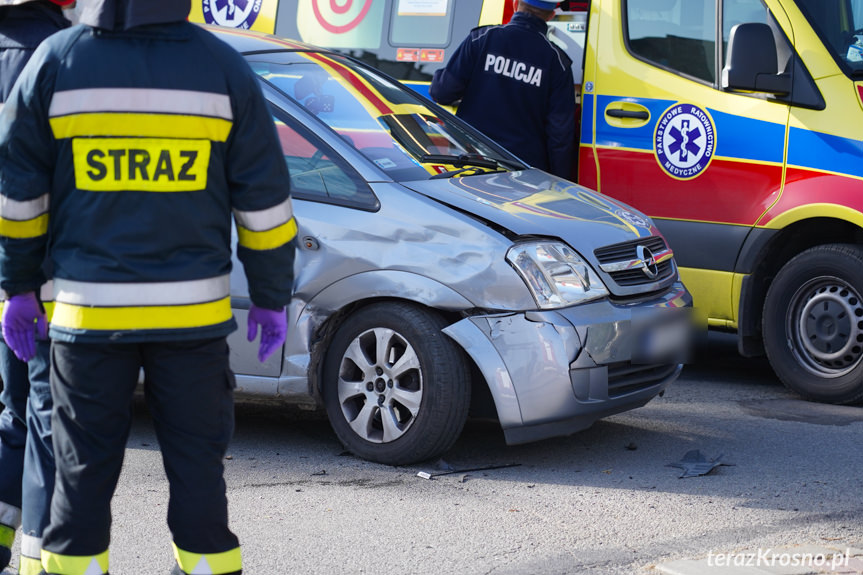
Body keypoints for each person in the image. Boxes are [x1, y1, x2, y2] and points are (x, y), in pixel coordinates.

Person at [0, 0, 297, 573]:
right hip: (193, 325)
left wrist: (18, 286)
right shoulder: (221, 67)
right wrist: (269, 297)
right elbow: (265, 201)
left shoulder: (56, 62)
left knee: (80, 486)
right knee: (198, 482)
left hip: (87, 324)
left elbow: (19, 195)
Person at [0, 1, 71, 573]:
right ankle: (40, 558)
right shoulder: (57, 56)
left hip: (6, 275)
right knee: (49, 419)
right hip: (45, 274)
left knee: (13, 413)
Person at [429, 0, 576, 179]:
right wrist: (560, 182)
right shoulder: (557, 62)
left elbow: (441, 92)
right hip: (523, 171)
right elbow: (560, 136)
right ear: (551, 15)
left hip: (472, 161)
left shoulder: (482, 38)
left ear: (515, 4)